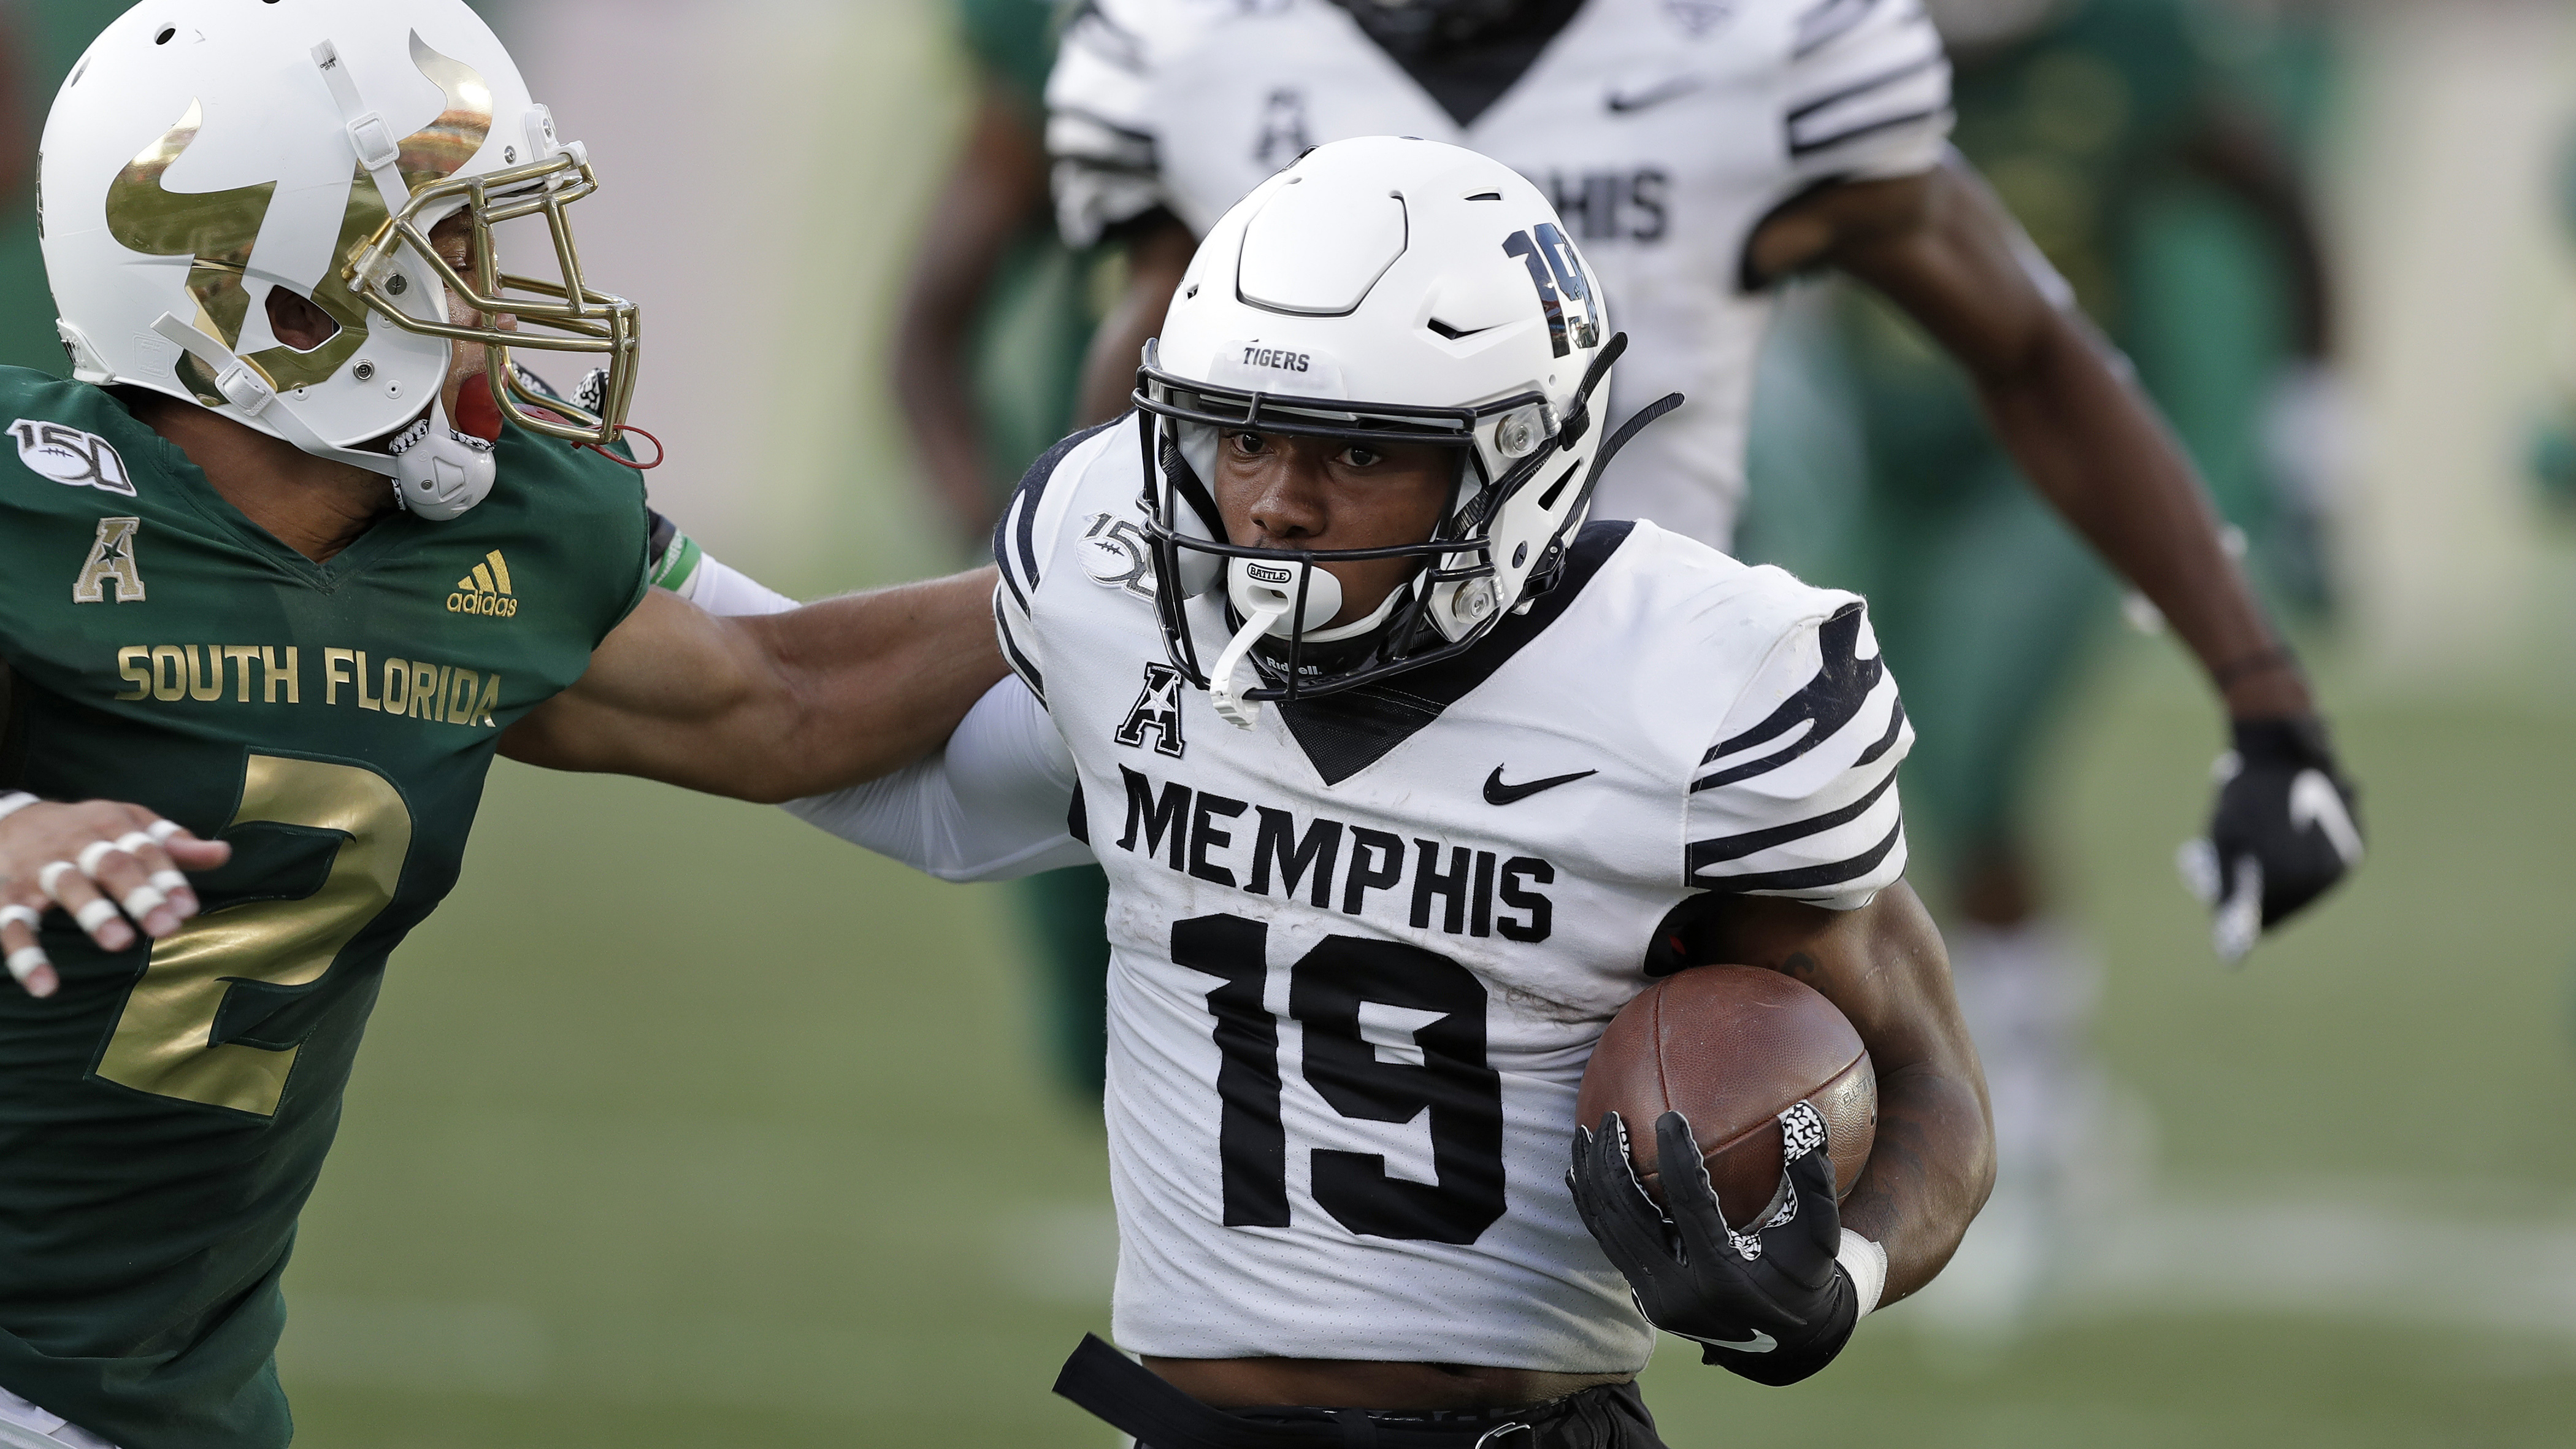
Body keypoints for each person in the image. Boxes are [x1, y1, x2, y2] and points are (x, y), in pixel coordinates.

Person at [801, 136, 1994, 1448]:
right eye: (1244, 434)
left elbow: (1932, 1076)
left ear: (1518, 460)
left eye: (1360, 455)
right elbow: (766, 701)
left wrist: (1846, 1277)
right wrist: (567, 566)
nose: (1274, 508)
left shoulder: (1690, 689)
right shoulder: (1127, 600)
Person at [0, 6, 1008, 1446]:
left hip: (163, 1385)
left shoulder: (466, 541)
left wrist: (1070, 577)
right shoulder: (34, 496)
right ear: (280, 303)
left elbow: (785, 698)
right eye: (449, 245)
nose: (492, 296)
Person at [1043, 0, 2362, 970]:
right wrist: (1060, 626)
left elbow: (2029, 354)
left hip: (1630, 767)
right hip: (1283, 742)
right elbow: (1145, 398)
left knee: (1732, 1135)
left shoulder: (1749, 52)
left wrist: (2265, 700)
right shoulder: (1191, 51)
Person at [1738, 0, 2345, 1320]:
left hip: (2034, 466)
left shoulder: (2129, 46)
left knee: (1974, 747)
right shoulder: (1830, 45)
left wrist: (2312, 432)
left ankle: (2022, 1107)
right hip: (1877, 456)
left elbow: (2273, 196)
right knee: (1856, 786)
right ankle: (2005, 1095)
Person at [886, 0, 1119, 1105]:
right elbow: (927, 334)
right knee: (1126, 1054)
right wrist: (1017, 584)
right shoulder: (1095, 43)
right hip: (1143, 621)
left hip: (1455, 625)